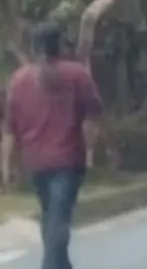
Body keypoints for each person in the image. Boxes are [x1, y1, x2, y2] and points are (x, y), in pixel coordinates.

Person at [2, 22, 102, 269]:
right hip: (67, 161)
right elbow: (92, 117)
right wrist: (89, 152)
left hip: (35, 163)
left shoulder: (18, 81)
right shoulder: (77, 74)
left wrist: (6, 166)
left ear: (34, 48)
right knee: (58, 220)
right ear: (59, 45)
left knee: (51, 216)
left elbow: (9, 130)